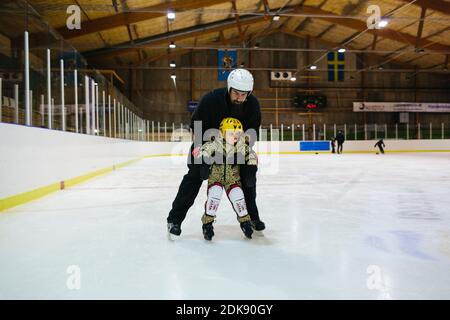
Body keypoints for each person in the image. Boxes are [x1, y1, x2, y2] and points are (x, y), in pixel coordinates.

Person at [167, 68, 265, 238]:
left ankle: (252, 218)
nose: (240, 98)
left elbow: (252, 133)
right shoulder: (211, 99)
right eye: (237, 94)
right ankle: (174, 219)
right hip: (206, 144)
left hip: (236, 146)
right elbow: (197, 126)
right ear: (229, 88)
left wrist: (244, 154)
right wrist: (203, 155)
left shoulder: (252, 104)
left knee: (249, 177)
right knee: (194, 176)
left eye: (245, 94)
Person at [195, 117, 257, 240]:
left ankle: (245, 222)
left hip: (233, 179)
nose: (235, 136)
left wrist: (251, 170)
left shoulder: (241, 146)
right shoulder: (215, 144)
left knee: (238, 196)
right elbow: (204, 150)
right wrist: (203, 163)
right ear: (222, 133)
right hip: (216, 179)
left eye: (238, 133)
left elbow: (251, 155)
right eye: (231, 133)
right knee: (215, 195)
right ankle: (207, 223)